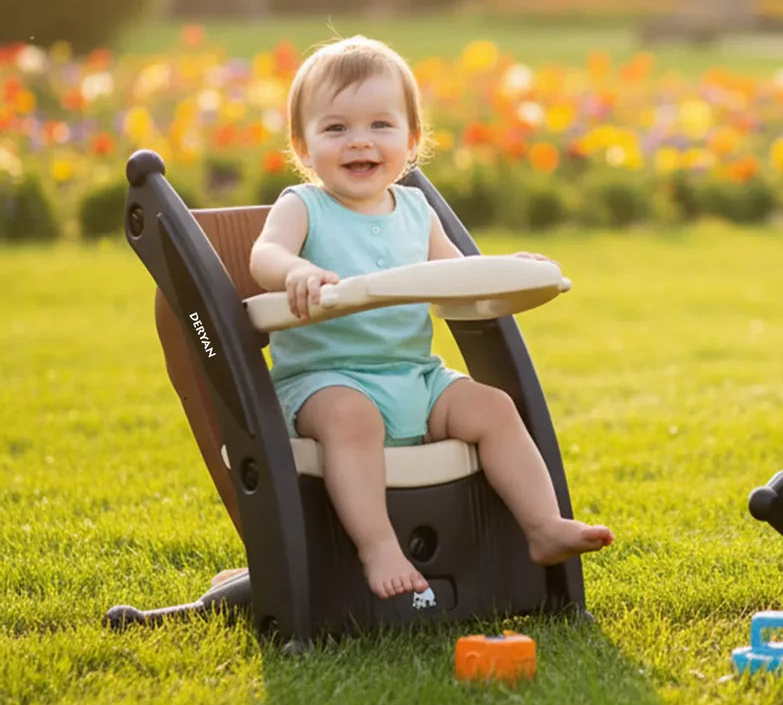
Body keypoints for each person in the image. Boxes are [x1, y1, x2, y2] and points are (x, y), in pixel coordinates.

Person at [250, 35, 613, 598]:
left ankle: (542, 528)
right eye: (336, 128)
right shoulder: (302, 207)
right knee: (354, 419)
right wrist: (293, 270)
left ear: (412, 139)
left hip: (413, 377)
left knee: (492, 405)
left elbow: (456, 276)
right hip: (327, 381)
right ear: (302, 146)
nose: (359, 142)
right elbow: (264, 255)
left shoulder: (417, 211)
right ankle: (379, 549)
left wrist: (502, 267)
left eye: (380, 125)